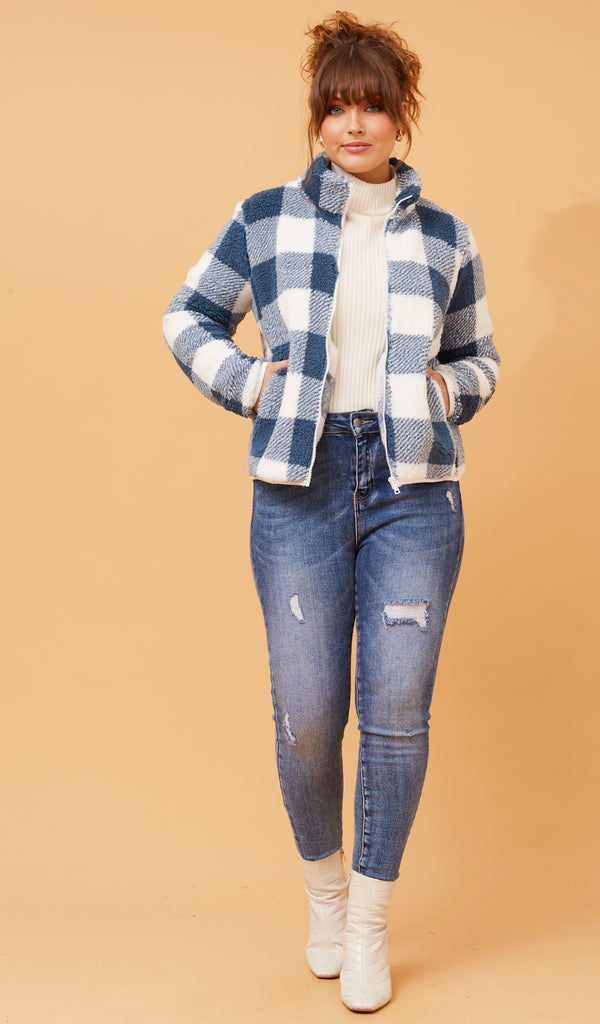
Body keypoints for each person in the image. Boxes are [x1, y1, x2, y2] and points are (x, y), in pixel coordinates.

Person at [163, 11, 499, 1012]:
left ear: (401, 116)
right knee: (308, 719)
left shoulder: (445, 235)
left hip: (413, 490)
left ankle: (367, 925)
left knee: (395, 717)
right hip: (297, 487)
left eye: (373, 107)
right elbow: (187, 316)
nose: (354, 125)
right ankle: (324, 893)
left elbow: (480, 357)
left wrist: (445, 390)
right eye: (337, 107)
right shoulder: (265, 217)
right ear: (316, 118)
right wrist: (247, 382)